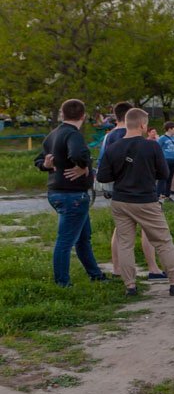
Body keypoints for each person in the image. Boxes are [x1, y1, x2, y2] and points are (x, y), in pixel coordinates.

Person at [96, 107, 174, 298]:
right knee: (162, 241)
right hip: (145, 199)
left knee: (125, 243)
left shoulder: (113, 147)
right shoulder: (151, 146)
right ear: (143, 125)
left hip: (120, 201)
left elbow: (103, 176)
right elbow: (163, 174)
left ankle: (130, 286)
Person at [35, 98, 109, 286]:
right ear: (83, 116)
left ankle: (96, 275)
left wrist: (45, 165)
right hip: (72, 195)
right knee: (65, 241)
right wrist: (84, 165)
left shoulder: (52, 135)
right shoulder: (73, 134)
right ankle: (62, 283)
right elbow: (76, 154)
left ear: (62, 113)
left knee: (83, 238)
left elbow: (39, 160)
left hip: (57, 191)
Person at [157, 122, 174, 202]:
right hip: (165, 160)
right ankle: (159, 195)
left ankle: (167, 195)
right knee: (163, 178)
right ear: (170, 129)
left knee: (170, 178)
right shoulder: (162, 138)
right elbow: (157, 149)